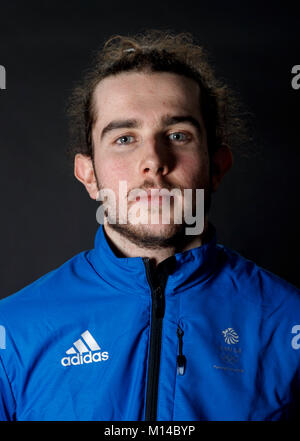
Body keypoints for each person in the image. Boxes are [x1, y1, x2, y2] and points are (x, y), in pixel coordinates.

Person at [0, 30, 299, 422]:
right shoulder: (13, 331)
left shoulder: (288, 321)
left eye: (178, 135)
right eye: (125, 138)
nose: (154, 161)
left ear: (217, 167)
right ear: (89, 175)